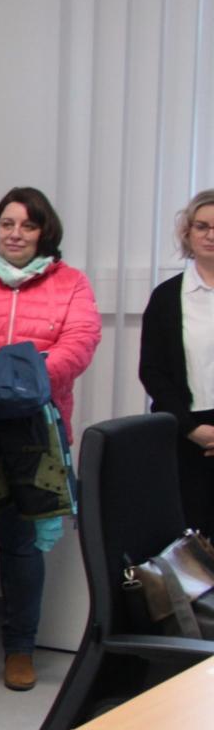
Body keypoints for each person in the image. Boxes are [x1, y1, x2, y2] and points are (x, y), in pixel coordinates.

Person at [0, 187, 99, 691]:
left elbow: (80, 342)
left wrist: (19, 384)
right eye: (7, 224)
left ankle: (20, 650)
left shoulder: (71, 283)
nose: (15, 234)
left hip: (37, 437)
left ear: (44, 232)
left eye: (27, 225)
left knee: (24, 549)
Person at [139, 188, 214, 537]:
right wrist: (190, 428)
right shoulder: (167, 297)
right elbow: (152, 370)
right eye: (202, 227)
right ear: (188, 233)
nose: (210, 235)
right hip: (184, 433)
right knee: (190, 544)